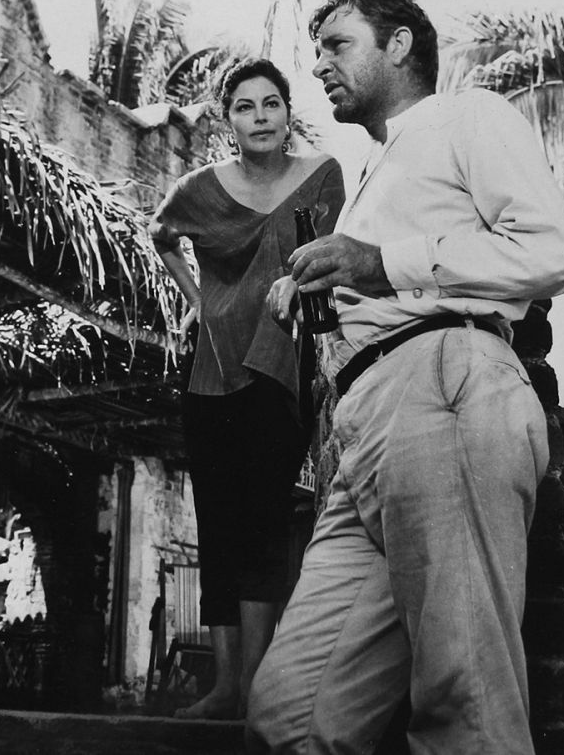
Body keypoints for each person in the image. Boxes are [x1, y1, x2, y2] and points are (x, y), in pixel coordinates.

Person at [248, 0, 564, 754]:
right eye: (318, 50)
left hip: (446, 388)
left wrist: (376, 263)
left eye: (338, 44)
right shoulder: (374, 172)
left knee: (464, 704)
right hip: (364, 433)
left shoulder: (468, 117)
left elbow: (550, 255)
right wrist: (323, 300)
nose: (320, 64)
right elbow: (381, 286)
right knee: (290, 718)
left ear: (399, 46)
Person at [149, 57, 346, 719]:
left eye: (270, 104)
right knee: (220, 525)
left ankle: (259, 687)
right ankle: (226, 687)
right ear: (226, 119)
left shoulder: (321, 177)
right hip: (209, 371)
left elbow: (322, 262)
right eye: (245, 107)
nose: (260, 117)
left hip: (280, 365)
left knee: (262, 522)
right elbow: (161, 235)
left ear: (287, 112)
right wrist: (200, 300)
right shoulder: (200, 188)